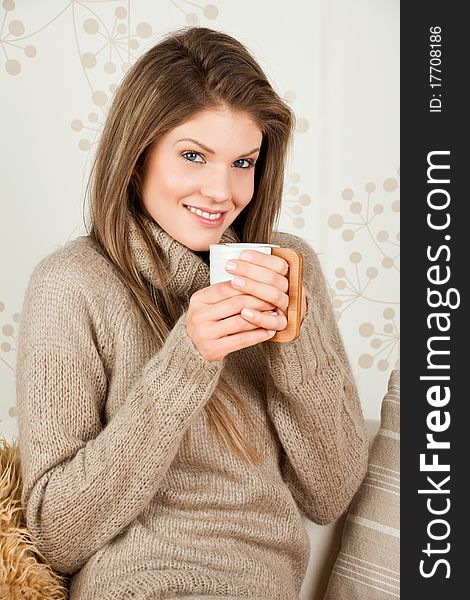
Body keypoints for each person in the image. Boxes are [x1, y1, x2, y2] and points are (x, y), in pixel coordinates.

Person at [16, 26, 368, 599]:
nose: (220, 191)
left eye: (243, 162)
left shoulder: (287, 267)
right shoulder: (70, 285)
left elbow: (327, 496)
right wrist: (187, 360)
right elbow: (54, 536)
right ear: (136, 155)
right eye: (193, 155)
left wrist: (294, 341)